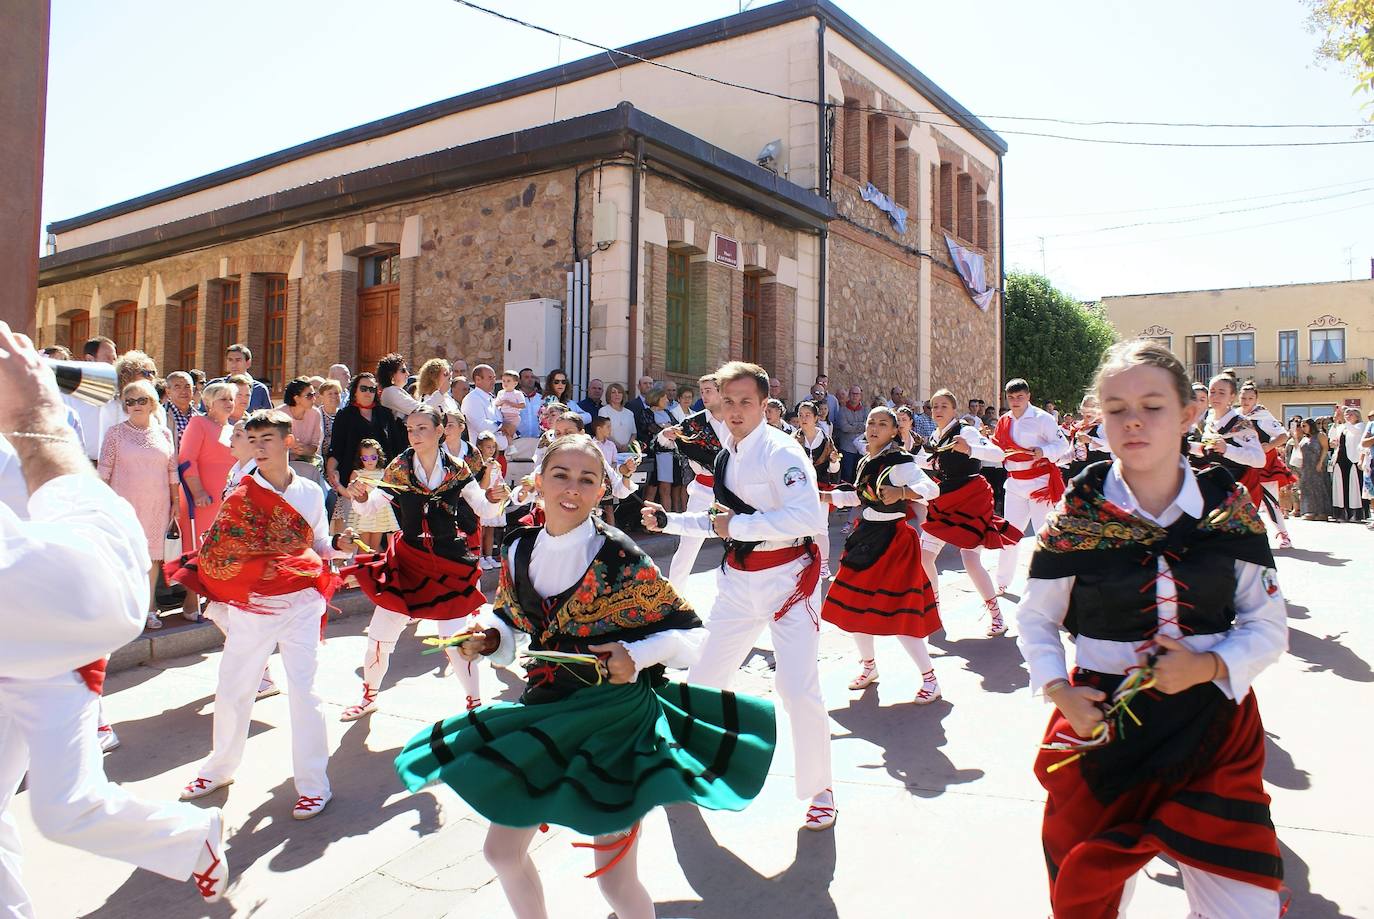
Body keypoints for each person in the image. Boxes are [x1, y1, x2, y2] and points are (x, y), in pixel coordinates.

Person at [397, 434, 775, 919]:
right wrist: (490, 638)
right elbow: (511, 617)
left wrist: (632, 656)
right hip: (546, 705)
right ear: (537, 483)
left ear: (602, 492)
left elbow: (688, 639)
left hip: (613, 719)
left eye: (586, 479)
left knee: (616, 882)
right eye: (561, 475)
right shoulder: (519, 547)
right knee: (501, 851)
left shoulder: (619, 556)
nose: (571, 488)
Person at [1015, 339, 1287, 919]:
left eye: (1154, 406)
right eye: (1116, 409)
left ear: (1189, 415)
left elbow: (1268, 626)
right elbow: (1037, 618)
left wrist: (1208, 666)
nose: (1133, 422)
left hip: (1212, 723)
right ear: (1098, 416)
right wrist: (1059, 689)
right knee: (1087, 896)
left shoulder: (1228, 506)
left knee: (1244, 905)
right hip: (1102, 723)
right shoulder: (1080, 512)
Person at [0, 322, 230, 911]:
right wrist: (43, 424)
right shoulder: (61, 433)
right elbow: (108, 589)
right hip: (43, 616)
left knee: (67, 806)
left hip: (44, 646)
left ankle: (190, 838)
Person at [642, 361, 836, 831]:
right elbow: (717, 523)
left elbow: (808, 517)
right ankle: (688, 764)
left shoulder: (780, 450)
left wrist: (741, 527)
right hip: (737, 583)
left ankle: (821, 788)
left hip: (789, 582)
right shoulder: (726, 454)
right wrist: (670, 521)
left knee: (796, 687)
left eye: (745, 401)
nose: (734, 410)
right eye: (727, 401)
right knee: (706, 679)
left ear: (764, 405)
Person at [171, 410, 350, 820]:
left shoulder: (308, 490)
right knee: (234, 687)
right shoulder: (241, 486)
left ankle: (313, 784)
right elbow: (224, 544)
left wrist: (338, 546)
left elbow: (317, 543)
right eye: (253, 439)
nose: (259, 447)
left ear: (288, 442)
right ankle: (219, 768)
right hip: (255, 607)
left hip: (302, 604)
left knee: (304, 693)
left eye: (267, 438)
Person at [341, 406, 510, 718]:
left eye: (421, 428)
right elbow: (373, 504)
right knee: (380, 633)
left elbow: (483, 509)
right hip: (408, 560)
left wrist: (496, 498)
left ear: (439, 430)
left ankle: (474, 703)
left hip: (449, 560)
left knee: (457, 640)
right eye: (410, 429)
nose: (414, 435)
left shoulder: (458, 469)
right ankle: (369, 696)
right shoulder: (399, 467)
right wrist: (362, 497)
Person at [821, 407, 942, 700]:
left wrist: (903, 494)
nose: (874, 427)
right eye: (871, 422)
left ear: (893, 431)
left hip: (894, 543)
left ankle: (930, 680)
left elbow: (931, 490)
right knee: (853, 607)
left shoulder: (899, 461)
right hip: (865, 538)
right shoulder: (866, 461)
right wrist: (825, 496)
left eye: (882, 423)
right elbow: (858, 496)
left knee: (900, 613)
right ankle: (869, 667)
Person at [918, 389, 1021, 638]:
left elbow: (998, 454)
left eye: (943, 406)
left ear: (954, 410)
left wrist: (970, 450)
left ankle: (997, 617)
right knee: (924, 556)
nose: (938, 410)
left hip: (970, 497)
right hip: (944, 498)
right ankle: (934, 611)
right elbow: (928, 461)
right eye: (934, 406)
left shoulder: (966, 431)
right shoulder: (935, 436)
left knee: (970, 559)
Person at [99, 379, 180, 631]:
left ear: (152, 403)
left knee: (153, 558)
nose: (135, 405)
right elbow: (103, 473)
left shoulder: (164, 433)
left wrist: (176, 502)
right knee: (125, 558)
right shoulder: (114, 433)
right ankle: (122, 611)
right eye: (130, 401)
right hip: (125, 505)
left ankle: (149, 609)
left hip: (158, 504)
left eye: (141, 400)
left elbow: (172, 471)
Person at [991, 378, 1070, 595]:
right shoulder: (1004, 421)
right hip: (1015, 484)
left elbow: (1062, 444)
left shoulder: (1042, 418)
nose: (1015, 401)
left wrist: (1043, 452)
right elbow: (997, 449)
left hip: (1040, 484)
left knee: (1044, 534)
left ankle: (1053, 583)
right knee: (1009, 534)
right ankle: (1002, 582)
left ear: (1028, 397)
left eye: (1020, 397)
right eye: (1011, 398)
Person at [654, 375, 727, 589]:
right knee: (688, 544)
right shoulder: (694, 423)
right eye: (701, 391)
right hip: (704, 490)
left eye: (709, 390)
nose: (704, 395)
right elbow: (662, 442)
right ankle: (674, 595)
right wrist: (665, 434)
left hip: (734, 490)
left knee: (743, 541)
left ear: (721, 391)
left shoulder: (737, 419)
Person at [177, 381, 236, 622]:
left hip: (226, 499)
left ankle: (215, 599)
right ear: (210, 403)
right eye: (223, 399)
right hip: (203, 499)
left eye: (231, 399)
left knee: (221, 550)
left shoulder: (233, 429)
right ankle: (191, 600)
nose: (229, 403)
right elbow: (186, 459)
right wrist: (198, 491)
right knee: (198, 548)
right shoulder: (198, 423)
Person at [326, 373, 398, 533]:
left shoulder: (385, 414)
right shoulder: (344, 415)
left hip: (381, 482)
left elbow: (395, 447)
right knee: (356, 532)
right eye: (363, 388)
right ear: (355, 391)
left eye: (372, 389)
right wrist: (331, 471)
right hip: (353, 481)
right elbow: (336, 449)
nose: (368, 392)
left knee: (379, 532)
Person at [1237, 382, 1296, 547]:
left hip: (1264, 463)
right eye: (1243, 397)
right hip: (1243, 463)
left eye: (1250, 398)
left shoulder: (1262, 415)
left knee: (1270, 500)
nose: (1246, 401)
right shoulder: (1235, 415)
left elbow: (1283, 436)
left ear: (1256, 399)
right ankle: (1244, 536)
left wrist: (1269, 446)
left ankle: (1283, 535)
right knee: (1243, 500)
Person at [345, 438, 400, 551]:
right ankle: (363, 568)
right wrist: (337, 484)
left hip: (380, 513)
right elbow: (350, 494)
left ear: (378, 456)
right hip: (363, 514)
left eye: (373, 457)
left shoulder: (384, 473)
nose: (370, 461)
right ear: (361, 458)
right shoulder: (357, 473)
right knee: (363, 548)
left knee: (374, 548)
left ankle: (374, 568)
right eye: (365, 458)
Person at [207, 344, 271, 413]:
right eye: (230, 360)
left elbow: (268, 416)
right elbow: (203, 412)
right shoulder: (215, 385)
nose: (234, 364)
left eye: (238, 360)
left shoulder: (259, 389)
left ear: (248, 363)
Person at [461, 364, 508, 455]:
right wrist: (502, 426)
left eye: (494, 378)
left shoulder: (492, 398)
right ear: (478, 379)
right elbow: (481, 426)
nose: (494, 381)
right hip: (481, 456)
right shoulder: (472, 399)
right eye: (490, 378)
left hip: (498, 454)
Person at [280, 377, 323, 475]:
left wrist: (305, 450)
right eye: (309, 396)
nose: (314, 398)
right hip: (283, 463)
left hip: (307, 462)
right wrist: (290, 451)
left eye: (314, 395)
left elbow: (315, 445)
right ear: (296, 398)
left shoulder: (315, 414)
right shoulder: (279, 414)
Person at [1330, 405, 1366, 522]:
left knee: (1353, 486)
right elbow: (1333, 436)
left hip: (1353, 459)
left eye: (1350, 415)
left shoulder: (1360, 426)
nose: (1348, 417)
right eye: (1347, 415)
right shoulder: (1342, 427)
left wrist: (1344, 420)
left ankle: (1355, 513)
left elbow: (1355, 431)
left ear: (1357, 416)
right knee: (1340, 486)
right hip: (1340, 458)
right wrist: (1336, 422)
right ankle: (1341, 512)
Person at [1293, 418, 1331, 520]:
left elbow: (1325, 448)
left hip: (1317, 464)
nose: (1303, 428)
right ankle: (1310, 511)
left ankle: (1322, 512)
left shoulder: (1320, 435)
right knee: (1307, 488)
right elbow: (1298, 451)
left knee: (1319, 488)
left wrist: (1320, 462)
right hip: (1306, 466)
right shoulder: (1304, 438)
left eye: (1304, 426)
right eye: (1302, 426)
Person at [834, 385, 868, 482]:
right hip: (847, 448)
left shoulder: (865, 410)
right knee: (847, 476)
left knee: (858, 476)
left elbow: (867, 426)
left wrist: (852, 425)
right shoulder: (842, 410)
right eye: (853, 393)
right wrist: (859, 426)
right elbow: (844, 427)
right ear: (849, 395)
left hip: (861, 449)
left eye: (857, 394)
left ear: (860, 396)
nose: (855, 396)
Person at [163, 370, 196, 451]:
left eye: (187, 387)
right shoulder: (160, 415)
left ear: (193, 390)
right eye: (177, 387)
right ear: (168, 391)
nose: (184, 391)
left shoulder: (200, 417)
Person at [598, 382, 637, 451]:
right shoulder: (603, 411)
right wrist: (618, 445)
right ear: (609, 395)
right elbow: (603, 432)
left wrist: (628, 446)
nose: (617, 395)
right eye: (613, 392)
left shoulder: (629, 413)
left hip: (627, 451)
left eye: (619, 392)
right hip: (609, 450)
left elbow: (633, 433)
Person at [493, 370, 528, 444]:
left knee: (509, 433)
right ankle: (509, 447)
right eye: (503, 381)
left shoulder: (518, 394)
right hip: (502, 416)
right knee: (503, 433)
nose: (505, 383)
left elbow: (523, 405)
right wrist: (502, 402)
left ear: (515, 383)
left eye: (508, 381)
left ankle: (511, 447)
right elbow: (496, 404)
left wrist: (511, 404)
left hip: (513, 417)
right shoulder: (500, 393)